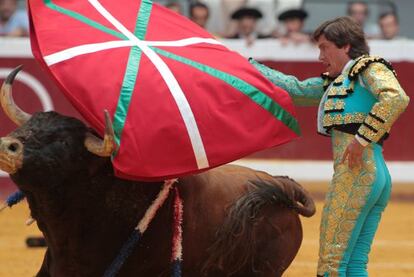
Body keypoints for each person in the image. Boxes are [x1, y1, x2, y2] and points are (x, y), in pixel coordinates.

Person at [249, 16, 409, 276]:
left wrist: (361, 139)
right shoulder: (338, 81)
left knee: (332, 263)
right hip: (373, 176)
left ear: (345, 45)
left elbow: (396, 97)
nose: (320, 56)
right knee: (355, 263)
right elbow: (294, 89)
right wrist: (248, 65)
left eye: (324, 47)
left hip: (356, 174)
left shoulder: (367, 68)